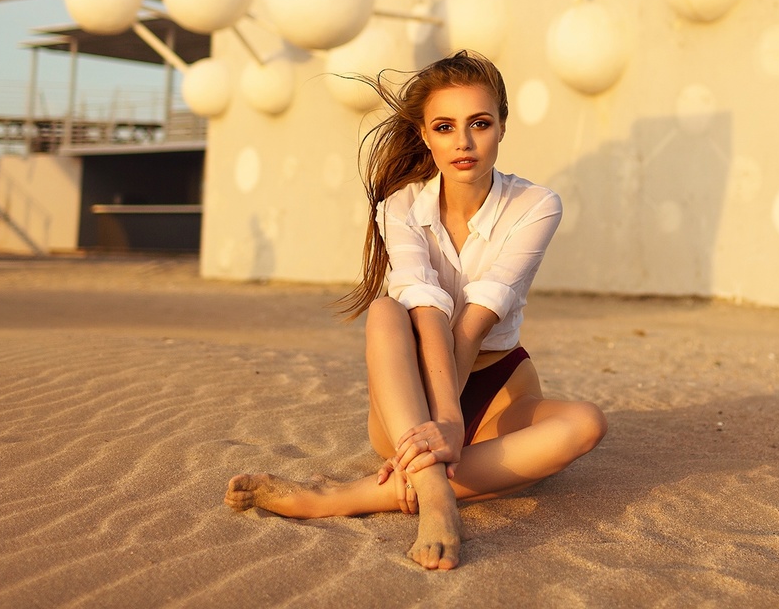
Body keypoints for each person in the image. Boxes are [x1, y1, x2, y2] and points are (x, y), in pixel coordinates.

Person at [224, 50, 607, 570]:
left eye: (480, 123)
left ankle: (350, 496)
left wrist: (454, 423)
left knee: (587, 424)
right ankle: (437, 499)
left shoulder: (536, 205)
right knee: (387, 310)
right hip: (411, 402)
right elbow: (425, 306)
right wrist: (441, 414)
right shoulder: (400, 207)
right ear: (426, 136)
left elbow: (478, 316)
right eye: (445, 127)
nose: (464, 142)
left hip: (499, 389)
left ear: (501, 127)